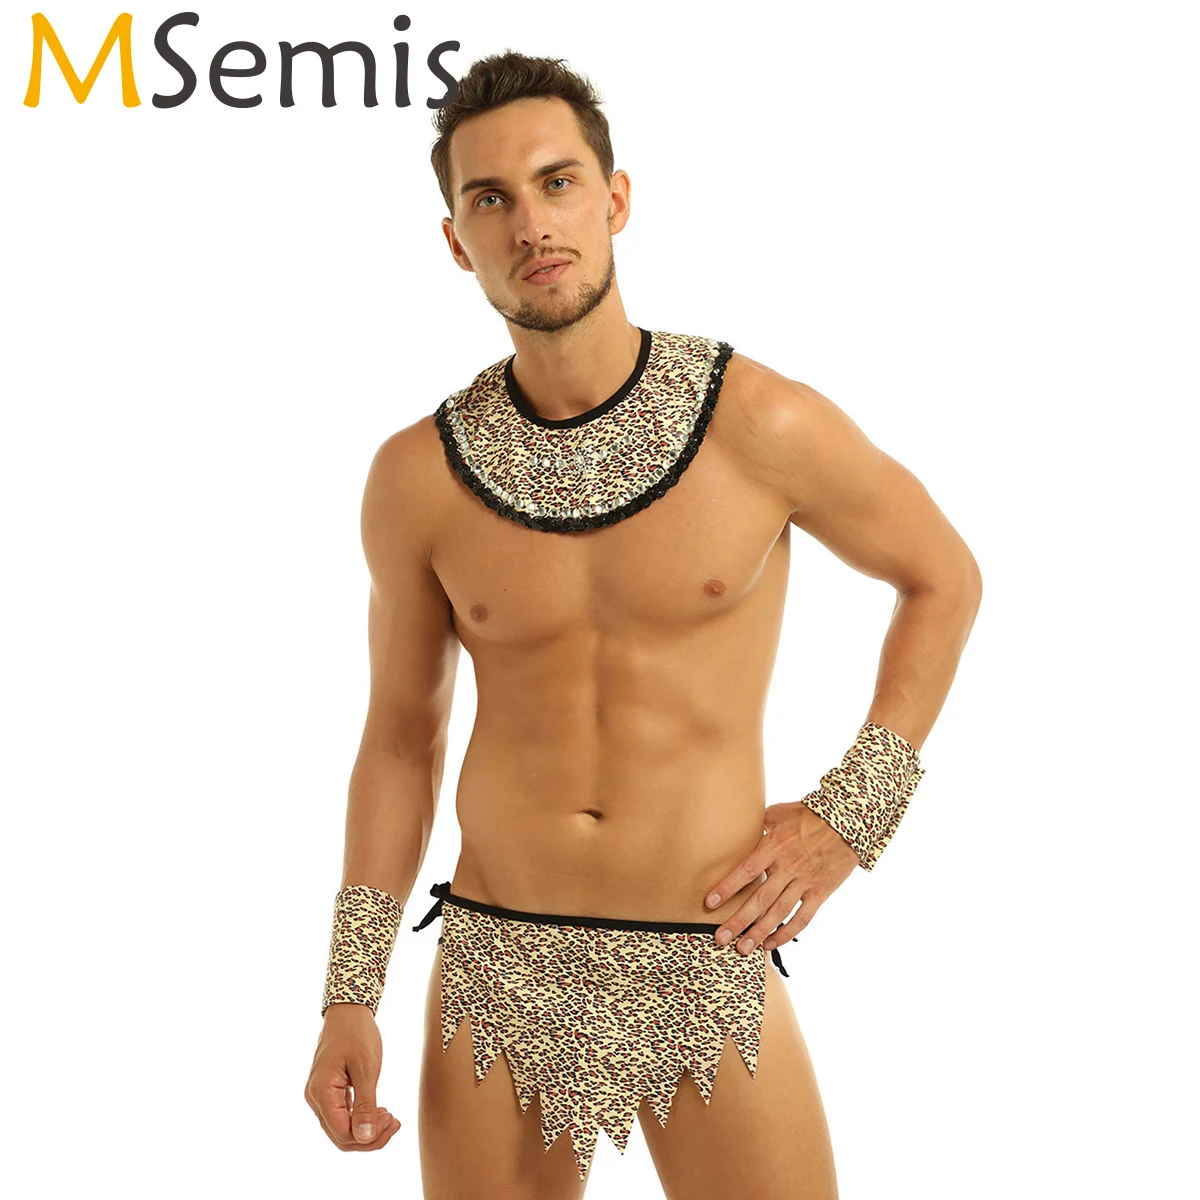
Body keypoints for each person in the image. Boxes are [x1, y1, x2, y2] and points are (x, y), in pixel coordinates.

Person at [304, 50, 981, 1199]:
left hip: (703, 951)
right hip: (497, 959)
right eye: (491, 199)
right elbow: (401, 742)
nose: (532, 224)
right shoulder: (416, 478)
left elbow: (942, 577)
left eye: (558, 182)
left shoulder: (759, 423)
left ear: (615, 199)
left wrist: (851, 816)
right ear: (456, 240)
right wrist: (349, 991)